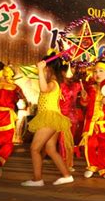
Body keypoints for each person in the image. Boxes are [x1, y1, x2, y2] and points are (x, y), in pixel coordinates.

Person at [21, 53, 74, 187]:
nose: (43, 70)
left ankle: (37, 179)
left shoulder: (52, 83)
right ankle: (67, 175)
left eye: (44, 67)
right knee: (50, 149)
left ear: (48, 68)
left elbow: (43, 89)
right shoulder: (55, 82)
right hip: (53, 118)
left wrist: (39, 70)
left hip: (49, 118)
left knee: (34, 149)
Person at [80, 61, 105, 179]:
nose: (97, 74)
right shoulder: (91, 88)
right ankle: (91, 166)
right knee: (90, 145)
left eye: (101, 71)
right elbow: (85, 104)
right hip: (91, 123)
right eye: (95, 71)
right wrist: (84, 99)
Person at [58, 64, 83, 171]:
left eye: (73, 72)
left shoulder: (77, 85)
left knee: (70, 140)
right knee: (62, 141)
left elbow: (83, 100)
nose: (72, 74)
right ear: (63, 73)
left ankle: (69, 163)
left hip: (72, 115)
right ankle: (63, 163)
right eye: (70, 71)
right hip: (61, 115)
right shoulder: (58, 85)